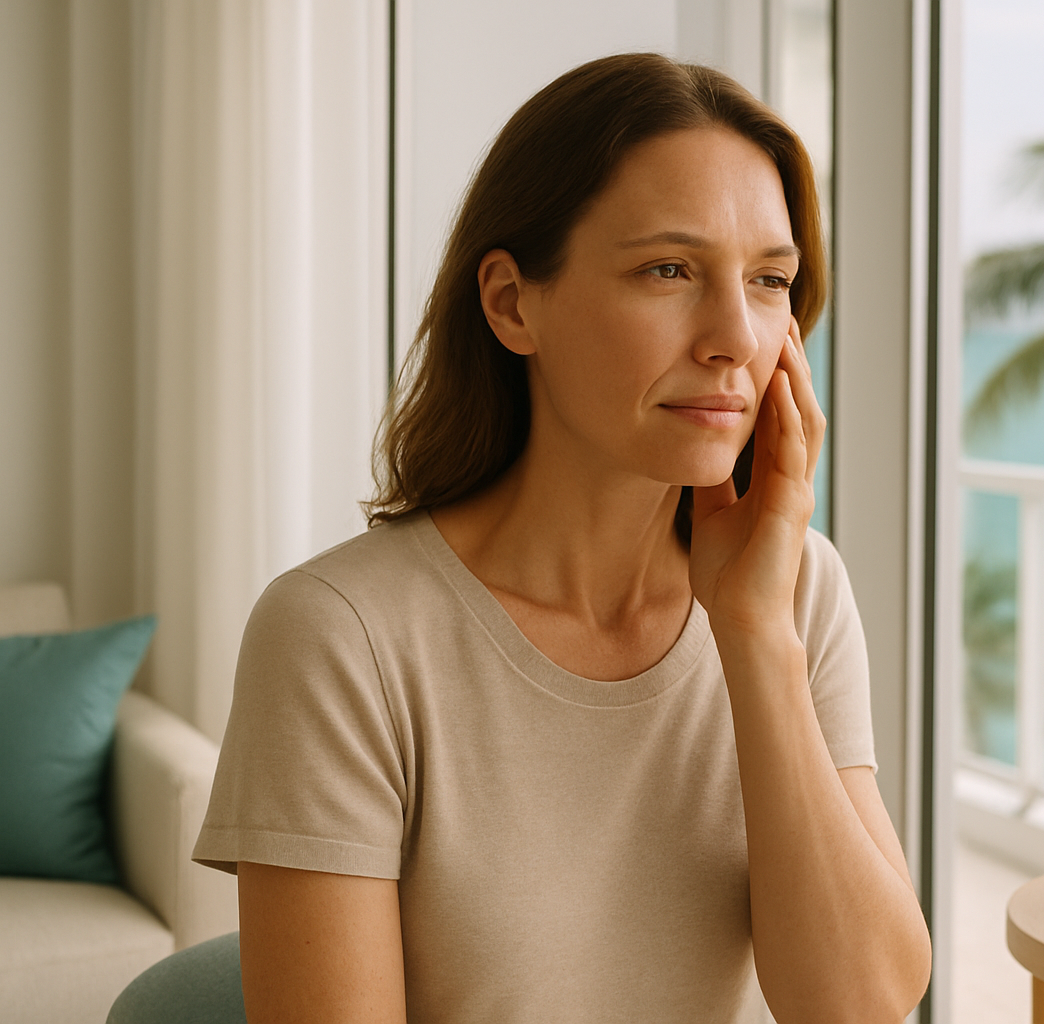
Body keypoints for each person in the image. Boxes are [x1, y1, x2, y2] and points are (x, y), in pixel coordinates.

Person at [191, 53, 931, 1024]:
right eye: (669, 270)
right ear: (511, 303)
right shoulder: (341, 638)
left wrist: (754, 633)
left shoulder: (795, 592)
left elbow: (860, 1005)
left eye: (768, 281)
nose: (734, 339)